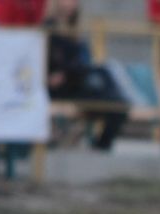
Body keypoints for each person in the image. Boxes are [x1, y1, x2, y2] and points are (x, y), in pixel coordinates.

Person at [45, 0, 129, 151]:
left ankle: (100, 146)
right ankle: (70, 133)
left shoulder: (75, 30)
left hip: (78, 83)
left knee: (118, 103)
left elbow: (82, 62)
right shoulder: (47, 28)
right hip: (58, 88)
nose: (72, 3)